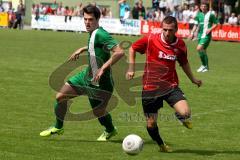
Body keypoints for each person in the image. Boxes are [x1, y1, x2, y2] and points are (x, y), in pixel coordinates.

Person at [40, 4, 124, 141]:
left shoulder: (101, 34)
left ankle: (110, 130)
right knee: (60, 96)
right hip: (86, 76)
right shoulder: (94, 33)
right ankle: (58, 126)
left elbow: (120, 52)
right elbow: (95, 45)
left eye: (90, 19)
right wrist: (82, 49)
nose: (87, 22)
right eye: (85, 19)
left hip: (100, 84)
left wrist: (103, 68)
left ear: (98, 20)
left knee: (99, 112)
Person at [126, 16, 202, 152]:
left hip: (170, 86)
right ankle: (161, 145)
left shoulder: (180, 45)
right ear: (162, 28)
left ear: (176, 30)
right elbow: (132, 48)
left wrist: (193, 79)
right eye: (165, 30)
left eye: (170, 30)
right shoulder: (150, 39)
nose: (167, 33)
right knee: (151, 124)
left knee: (185, 112)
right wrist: (131, 69)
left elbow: (184, 63)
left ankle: (181, 118)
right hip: (150, 88)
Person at [189, 2, 218, 73]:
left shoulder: (211, 15)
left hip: (207, 36)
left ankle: (204, 65)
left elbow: (216, 24)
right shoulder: (199, 15)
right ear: (200, 7)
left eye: (205, 6)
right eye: (202, 6)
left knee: (199, 48)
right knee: (203, 51)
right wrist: (192, 33)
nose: (203, 7)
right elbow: (196, 25)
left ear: (207, 7)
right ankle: (205, 67)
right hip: (200, 35)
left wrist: (210, 29)